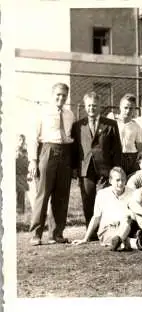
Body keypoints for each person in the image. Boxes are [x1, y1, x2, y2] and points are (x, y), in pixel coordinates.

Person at [28, 83, 75, 246]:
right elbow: (33, 137)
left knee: (61, 195)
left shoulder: (69, 114)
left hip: (65, 152)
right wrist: (33, 160)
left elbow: (71, 136)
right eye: (58, 95)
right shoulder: (42, 112)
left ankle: (56, 233)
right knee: (43, 193)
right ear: (52, 94)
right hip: (48, 150)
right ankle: (36, 234)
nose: (61, 98)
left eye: (64, 95)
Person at [71, 91, 122, 229]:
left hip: (105, 168)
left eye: (94, 105)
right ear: (85, 106)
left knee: (105, 198)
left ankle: (105, 228)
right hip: (85, 167)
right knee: (88, 199)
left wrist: (116, 169)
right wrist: (74, 168)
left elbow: (117, 148)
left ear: (100, 106)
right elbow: (75, 149)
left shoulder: (110, 124)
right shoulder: (78, 125)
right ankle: (91, 229)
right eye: (89, 106)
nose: (91, 108)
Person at [71, 167, 142, 251]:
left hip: (127, 225)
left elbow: (138, 213)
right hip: (108, 229)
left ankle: (121, 241)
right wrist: (85, 238)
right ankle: (136, 243)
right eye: (117, 180)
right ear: (110, 181)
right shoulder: (102, 194)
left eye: (123, 180)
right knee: (116, 237)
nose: (121, 183)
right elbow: (96, 217)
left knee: (126, 219)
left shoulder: (132, 193)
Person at [107, 94, 142, 176]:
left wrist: (140, 160)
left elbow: (140, 147)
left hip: (131, 157)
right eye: (125, 107)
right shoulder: (112, 121)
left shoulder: (136, 126)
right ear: (120, 107)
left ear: (134, 109)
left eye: (131, 108)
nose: (128, 111)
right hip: (115, 156)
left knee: (129, 183)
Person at [16, 134, 29, 215]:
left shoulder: (25, 152)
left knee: (21, 193)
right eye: (19, 140)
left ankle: (20, 210)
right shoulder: (14, 151)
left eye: (23, 140)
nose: (21, 142)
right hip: (15, 175)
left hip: (22, 175)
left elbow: (26, 163)